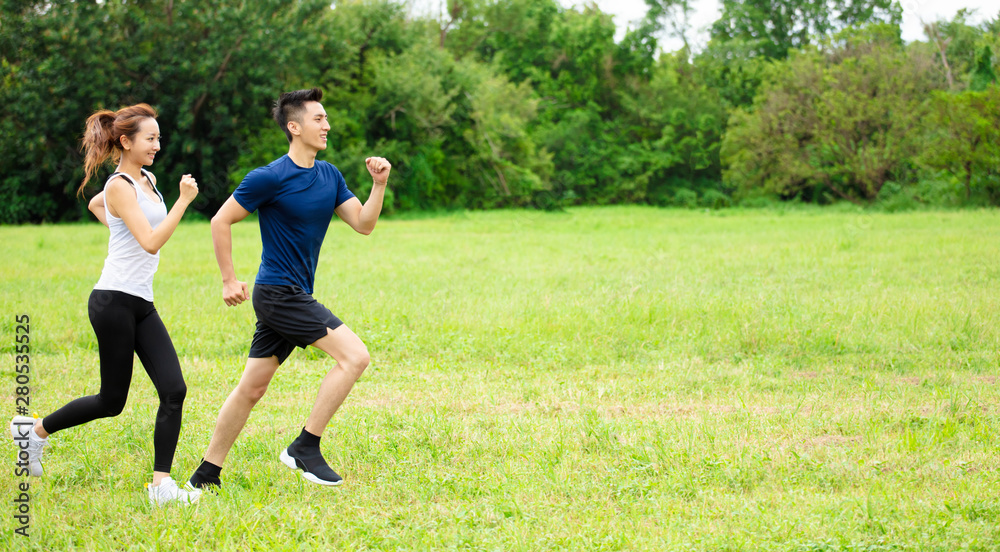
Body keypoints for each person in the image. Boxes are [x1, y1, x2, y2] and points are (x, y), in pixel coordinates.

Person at [187, 88, 390, 489]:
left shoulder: (329, 175)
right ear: (294, 127)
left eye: (326, 118)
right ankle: (305, 447)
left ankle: (204, 476)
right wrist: (229, 278)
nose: (327, 125)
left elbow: (364, 224)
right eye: (319, 119)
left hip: (292, 292)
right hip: (279, 293)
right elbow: (220, 220)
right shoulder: (270, 177)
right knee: (355, 357)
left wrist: (378, 184)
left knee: (252, 388)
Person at [9, 103, 202, 506]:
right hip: (113, 301)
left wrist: (120, 225)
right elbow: (149, 240)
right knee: (111, 400)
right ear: (126, 141)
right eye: (150, 138)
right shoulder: (119, 185)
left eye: (159, 138)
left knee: (174, 389)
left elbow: (103, 211)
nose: (157, 145)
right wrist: (183, 201)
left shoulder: (146, 178)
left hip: (141, 301)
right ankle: (35, 431)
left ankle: (160, 486)